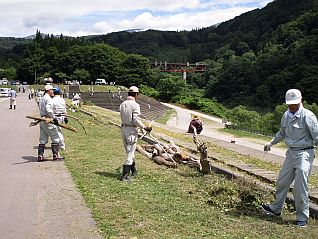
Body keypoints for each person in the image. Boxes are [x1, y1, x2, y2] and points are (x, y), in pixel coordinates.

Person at [262, 89, 318, 228]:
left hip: (304, 154)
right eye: (290, 104)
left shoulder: (308, 116)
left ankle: (302, 217)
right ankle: (276, 209)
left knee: (300, 187)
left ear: (301, 101)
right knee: (282, 182)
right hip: (291, 153)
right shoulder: (286, 115)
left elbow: (317, 136)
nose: (292, 107)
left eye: (295, 104)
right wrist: (271, 143)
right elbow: (282, 132)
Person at [119, 86, 152, 182]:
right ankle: (125, 175)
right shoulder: (135, 105)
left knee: (129, 151)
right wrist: (144, 127)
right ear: (136, 95)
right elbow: (135, 119)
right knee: (130, 152)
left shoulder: (122, 104)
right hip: (131, 131)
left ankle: (133, 170)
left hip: (123, 129)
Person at [37, 84, 61, 162]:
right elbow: (49, 109)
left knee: (42, 139)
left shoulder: (42, 99)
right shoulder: (49, 99)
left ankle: (40, 156)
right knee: (55, 137)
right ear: (49, 91)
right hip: (48, 119)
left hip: (42, 119)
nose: (53, 91)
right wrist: (54, 118)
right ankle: (55, 156)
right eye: (52, 90)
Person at [52, 87, 67, 160]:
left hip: (55, 117)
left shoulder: (53, 100)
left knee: (56, 133)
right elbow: (64, 109)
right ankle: (62, 145)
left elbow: (51, 110)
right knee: (59, 131)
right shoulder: (62, 100)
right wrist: (66, 117)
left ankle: (61, 146)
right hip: (62, 117)